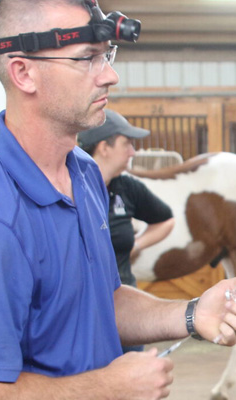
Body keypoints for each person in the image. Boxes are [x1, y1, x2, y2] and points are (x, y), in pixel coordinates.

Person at [0, 1, 236, 398]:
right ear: (23, 72)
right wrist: (105, 388)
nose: (110, 76)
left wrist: (190, 312)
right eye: (87, 59)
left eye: (107, 56)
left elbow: (101, 303)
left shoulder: (83, 173)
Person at [78, 110, 176, 352]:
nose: (133, 152)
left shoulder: (127, 187)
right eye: (127, 144)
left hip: (125, 309)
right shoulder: (72, 186)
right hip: (84, 316)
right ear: (104, 147)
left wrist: (137, 245)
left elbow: (166, 219)